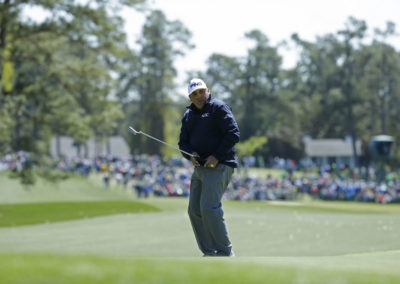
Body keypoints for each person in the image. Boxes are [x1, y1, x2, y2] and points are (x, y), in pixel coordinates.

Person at [179, 78, 240, 257]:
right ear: (190, 97)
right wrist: (189, 154)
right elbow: (183, 142)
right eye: (194, 93)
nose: (199, 96)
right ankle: (210, 252)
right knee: (195, 211)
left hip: (220, 165)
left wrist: (216, 156)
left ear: (208, 91)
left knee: (208, 207)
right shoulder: (188, 116)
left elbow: (233, 133)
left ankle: (225, 251)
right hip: (200, 168)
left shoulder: (218, 108)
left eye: (201, 91)